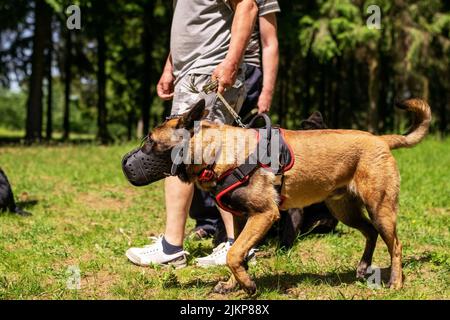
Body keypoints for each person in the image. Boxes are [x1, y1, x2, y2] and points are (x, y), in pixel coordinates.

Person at [125, 0, 259, 268]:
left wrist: (232, 61)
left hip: (209, 71)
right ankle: (233, 244)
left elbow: (248, 5)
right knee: (207, 158)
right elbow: (186, 25)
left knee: (187, 155)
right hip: (191, 72)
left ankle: (181, 246)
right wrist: (170, 67)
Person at [190, 0, 281, 266]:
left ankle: (239, 239)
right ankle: (208, 222)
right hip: (206, 66)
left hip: (244, 69)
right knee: (200, 152)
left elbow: (270, 42)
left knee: (241, 164)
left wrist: (266, 91)